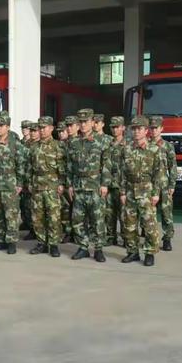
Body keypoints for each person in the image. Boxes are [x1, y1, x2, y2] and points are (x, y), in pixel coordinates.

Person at [67, 108, 110, 262]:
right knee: (77, 220)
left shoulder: (102, 141)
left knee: (97, 219)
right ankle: (83, 247)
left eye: (86, 122)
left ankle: (98, 249)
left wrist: (105, 184)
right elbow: (70, 166)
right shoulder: (73, 142)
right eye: (81, 122)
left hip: (95, 186)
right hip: (78, 186)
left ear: (93, 122)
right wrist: (70, 185)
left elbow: (106, 164)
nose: (83, 125)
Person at [120, 115, 163, 266]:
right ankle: (132, 252)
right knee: (129, 224)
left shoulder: (154, 150)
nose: (136, 132)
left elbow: (159, 173)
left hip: (146, 190)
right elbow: (123, 172)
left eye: (140, 129)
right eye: (134, 129)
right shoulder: (127, 149)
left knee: (149, 223)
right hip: (130, 190)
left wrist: (156, 193)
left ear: (146, 131)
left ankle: (150, 252)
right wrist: (123, 192)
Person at [0, 112, 25, 254]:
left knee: (11, 214)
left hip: (10, 184)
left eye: (2, 126)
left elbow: (21, 165)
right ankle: (0, 240)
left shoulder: (15, 145)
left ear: (8, 127)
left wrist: (19, 183)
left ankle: (11, 241)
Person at [27, 116, 65, 257]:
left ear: (51, 128)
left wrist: (61, 183)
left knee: (53, 217)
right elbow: (29, 167)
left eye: (45, 127)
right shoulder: (33, 146)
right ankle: (41, 243)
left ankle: (53, 244)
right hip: (37, 186)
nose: (42, 130)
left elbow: (62, 167)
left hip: (52, 187)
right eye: (40, 128)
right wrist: (30, 183)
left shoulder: (58, 146)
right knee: (38, 217)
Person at [148, 115, 177, 251]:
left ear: (161, 129)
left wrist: (172, 185)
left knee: (166, 212)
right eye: (151, 128)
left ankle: (167, 238)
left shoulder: (167, 146)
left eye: (156, 128)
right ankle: (150, 236)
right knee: (149, 212)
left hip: (164, 185)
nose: (153, 131)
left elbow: (173, 166)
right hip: (150, 184)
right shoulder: (145, 145)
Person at [106, 116, 126, 246]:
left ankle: (126, 239)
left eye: (117, 127)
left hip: (122, 186)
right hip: (110, 185)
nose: (114, 129)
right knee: (109, 213)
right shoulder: (108, 144)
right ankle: (111, 237)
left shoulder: (128, 144)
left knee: (124, 215)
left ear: (123, 128)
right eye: (112, 127)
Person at [22, 121, 40, 241]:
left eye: (35, 130)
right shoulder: (26, 144)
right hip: (27, 179)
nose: (33, 133)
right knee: (28, 206)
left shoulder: (41, 144)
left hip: (40, 181)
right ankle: (31, 229)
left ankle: (38, 231)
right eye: (31, 131)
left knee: (38, 208)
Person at [63, 115, 80, 243]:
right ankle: (68, 232)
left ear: (77, 127)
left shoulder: (80, 142)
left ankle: (77, 234)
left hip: (77, 181)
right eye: (67, 126)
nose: (69, 128)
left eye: (71, 126)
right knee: (66, 208)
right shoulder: (63, 143)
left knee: (77, 209)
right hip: (64, 180)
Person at [56, 120, 71, 243]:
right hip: (61, 181)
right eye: (59, 132)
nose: (61, 134)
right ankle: (66, 231)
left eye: (63, 131)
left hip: (71, 181)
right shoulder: (57, 145)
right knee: (64, 208)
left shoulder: (73, 144)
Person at [19, 120, 32, 232]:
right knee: (22, 202)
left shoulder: (32, 143)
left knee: (29, 203)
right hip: (21, 174)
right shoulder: (20, 142)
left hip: (29, 175)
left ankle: (31, 225)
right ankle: (25, 221)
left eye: (27, 128)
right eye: (23, 128)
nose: (24, 130)